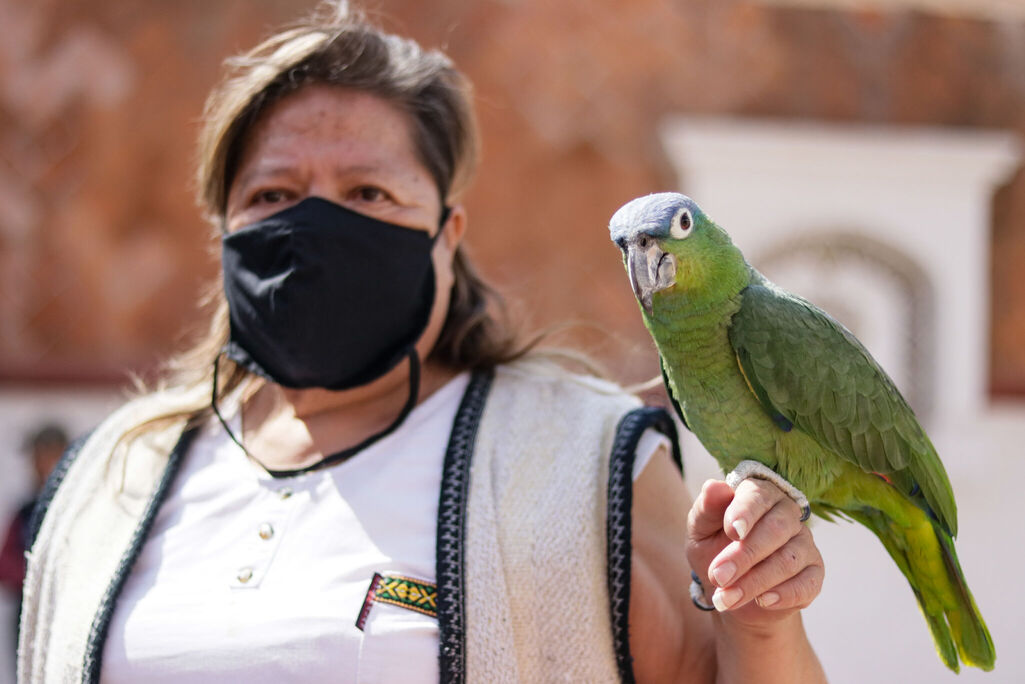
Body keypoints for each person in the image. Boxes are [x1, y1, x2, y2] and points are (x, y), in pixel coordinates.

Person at [18, 4, 827, 682]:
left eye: (368, 191)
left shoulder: (576, 462)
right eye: (274, 193)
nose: (316, 226)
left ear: (447, 235)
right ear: (223, 232)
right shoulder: (113, 477)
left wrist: (759, 623)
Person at [0, 424, 67, 650]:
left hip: (64, 612)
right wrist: (34, 576)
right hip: (27, 613)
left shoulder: (75, 510)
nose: (37, 465)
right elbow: (5, 564)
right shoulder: (25, 511)